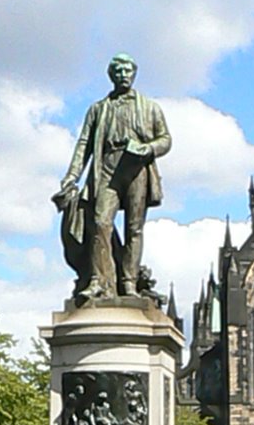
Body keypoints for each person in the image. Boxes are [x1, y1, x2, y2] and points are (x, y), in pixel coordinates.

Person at [53, 53, 172, 301]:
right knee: (100, 222)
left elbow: (165, 139)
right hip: (107, 167)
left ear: (134, 73)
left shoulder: (150, 108)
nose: (123, 75)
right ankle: (100, 281)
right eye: (118, 71)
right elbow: (84, 144)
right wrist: (72, 175)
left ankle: (128, 282)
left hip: (136, 167)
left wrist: (147, 149)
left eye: (127, 71)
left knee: (134, 228)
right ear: (111, 76)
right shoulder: (98, 109)